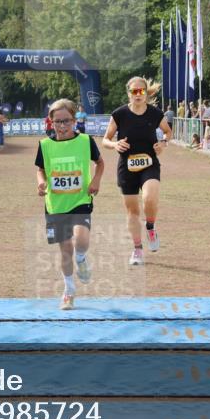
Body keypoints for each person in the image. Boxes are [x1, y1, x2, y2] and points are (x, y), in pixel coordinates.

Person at [35, 99, 104, 310]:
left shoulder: (85, 141)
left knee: (81, 241)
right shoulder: (45, 145)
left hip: (80, 199)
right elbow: (40, 169)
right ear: (51, 122)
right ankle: (69, 291)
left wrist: (96, 180)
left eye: (66, 121)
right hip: (56, 205)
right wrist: (41, 182)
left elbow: (100, 163)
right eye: (57, 122)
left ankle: (81, 259)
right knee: (65, 249)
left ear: (74, 120)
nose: (62, 126)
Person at [102, 77, 172, 265]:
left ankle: (150, 227)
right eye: (134, 91)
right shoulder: (119, 114)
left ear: (146, 93)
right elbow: (105, 140)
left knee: (150, 198)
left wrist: (163, 143)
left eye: (142, 91)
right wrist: (115, 144)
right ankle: (137, 249)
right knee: (132, 212)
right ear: (129, 94)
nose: (138, 94)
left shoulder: (155, 113)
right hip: (127, 167)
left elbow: (168, 132)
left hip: (150, 163)